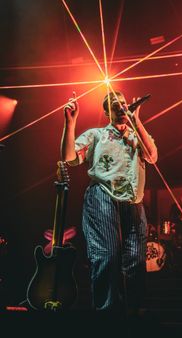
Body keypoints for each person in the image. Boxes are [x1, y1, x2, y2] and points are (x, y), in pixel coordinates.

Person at [60, 90, 158, 317]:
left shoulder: (136, 137)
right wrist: (70, 123)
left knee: (135, 259)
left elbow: (152, 156)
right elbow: (68, 158)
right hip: (103, 196)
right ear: (107, 112)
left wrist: (137, 120)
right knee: (108, 255)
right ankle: (107, 313)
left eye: (123, 104)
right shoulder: (96, 135)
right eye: (115, 105)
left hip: (134, 201)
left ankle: (133, 311)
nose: (121, 107)